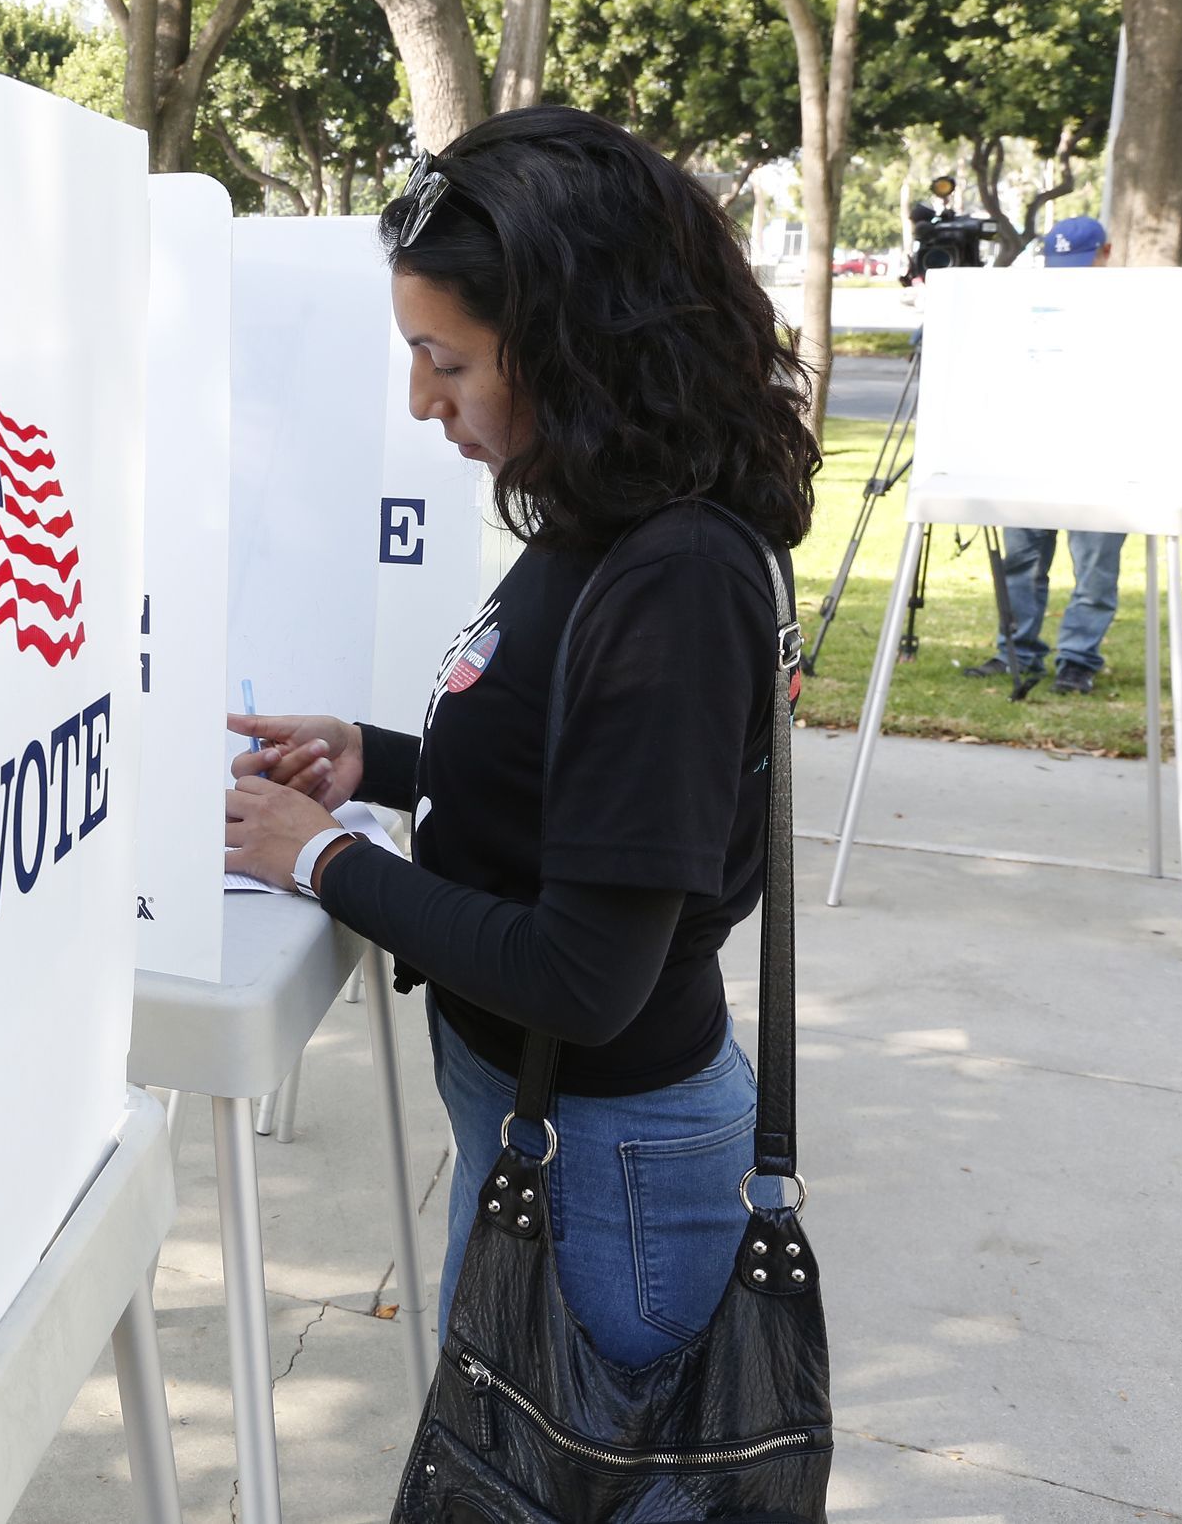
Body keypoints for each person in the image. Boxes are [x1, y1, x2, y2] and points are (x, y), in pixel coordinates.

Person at [221, 107, 820, 1373]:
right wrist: (372, 763)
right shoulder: (606, 518)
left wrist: (323, 859)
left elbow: (582, 974)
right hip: (555, 1135)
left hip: (614, 1173)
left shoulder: (676, 579)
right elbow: (574, 788)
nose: (420, 398)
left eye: (445, 358)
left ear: (568, 340)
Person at [967, 214, 1123, 695]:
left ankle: (1077, 659)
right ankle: (1016, 651)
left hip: (1103, 462)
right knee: (1022, 561)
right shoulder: (1032, 307)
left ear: (1107, 254)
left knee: (1094, 569)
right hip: (1029, 457)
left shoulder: (1128, 309)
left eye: (1078, 263)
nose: (1068, 275)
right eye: (1059, 265)